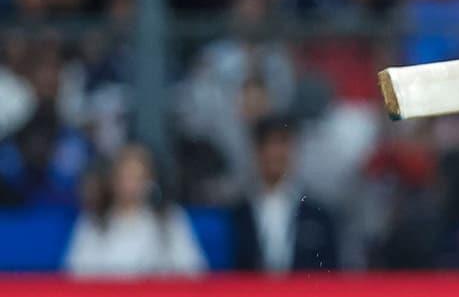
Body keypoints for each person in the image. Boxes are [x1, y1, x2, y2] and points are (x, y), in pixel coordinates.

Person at [64, 144, 206, 279]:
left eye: (138, 178)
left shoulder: (169, 219)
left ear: (150, 180)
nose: (130, 185)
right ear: (112, 180)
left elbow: (194, 271)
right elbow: (75, 273)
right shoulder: (93, 221)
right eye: (125, 177)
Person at [230, 116, 338, 274]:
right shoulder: (235, 215)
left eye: (283, 143)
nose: (275, 152)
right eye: (268, 144)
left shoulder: (319, 216)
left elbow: (331, 275)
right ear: (256, 152)